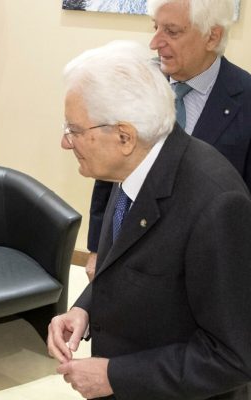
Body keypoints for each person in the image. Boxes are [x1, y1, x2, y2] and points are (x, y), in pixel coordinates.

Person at [47, 40, 251, 399]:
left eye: (75, 130)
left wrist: (115, 376)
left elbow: (233, 358)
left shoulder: (216, 205)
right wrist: (84, 308)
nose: (66, 144)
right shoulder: (133, 166)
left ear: (124, 136)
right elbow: (130, 263)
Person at [85, 0, 251, 281]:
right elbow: (109, 173)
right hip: (130, 254)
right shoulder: (139, 84)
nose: (154, 42)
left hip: (204, 267)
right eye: (155, 27)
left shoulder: (245, 98)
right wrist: (96, 248)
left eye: (171, 32)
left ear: (213, 36)